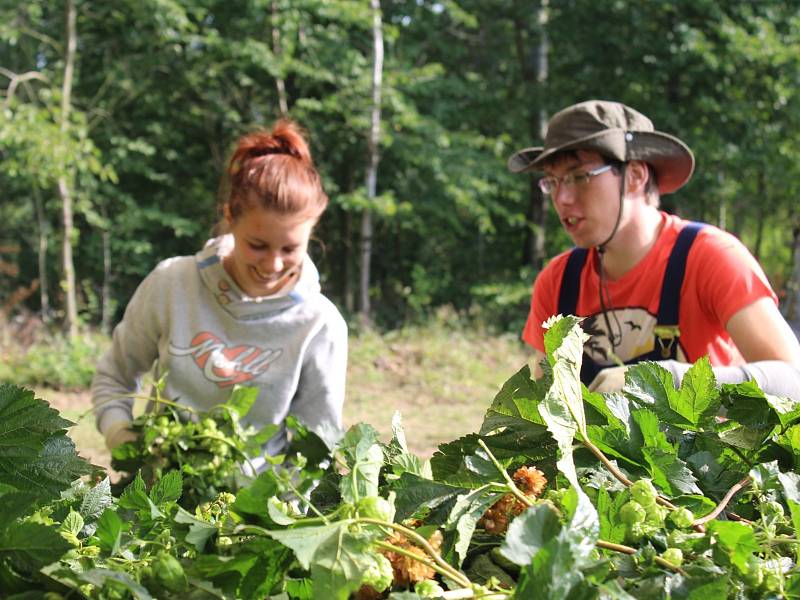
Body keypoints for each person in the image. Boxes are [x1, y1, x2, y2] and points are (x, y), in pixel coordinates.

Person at [507, 100, 800, 396]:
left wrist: (663, 380)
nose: (563, 198)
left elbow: (793, 380)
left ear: (635, 177)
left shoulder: (711, 257)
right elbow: (548, 406)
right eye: (553, 182)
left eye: (579, 177)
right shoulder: (558, 282)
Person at [92, 119, 348, 459]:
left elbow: (315, 448)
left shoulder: (320, 323)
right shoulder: (172, 285)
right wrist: (125, 442)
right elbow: (114, 378)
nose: (272, 265)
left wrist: (276, 507)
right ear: (230, 218)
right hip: (160, 500)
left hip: (265, 509)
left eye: (289, 249)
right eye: (257, 245)